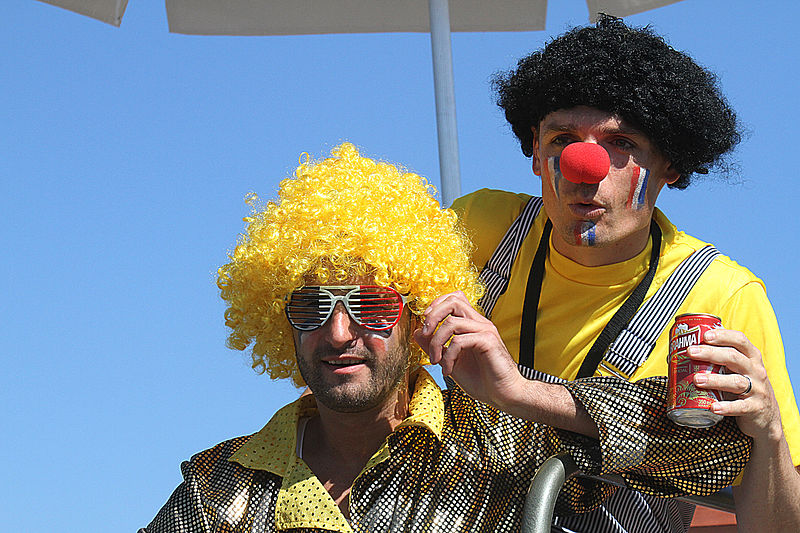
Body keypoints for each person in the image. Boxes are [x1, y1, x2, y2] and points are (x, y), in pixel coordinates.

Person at [140, 143, 749, 533]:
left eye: (372, 305)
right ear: (281, 322)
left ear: (416, 314)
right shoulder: (219, 485)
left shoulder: (499, 445)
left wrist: (517, 390)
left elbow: (714, 453)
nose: (337, 331)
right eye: (311, 306)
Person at [452, 15, 800, 533]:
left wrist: (768, 433)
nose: (583, 165)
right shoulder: (481, 230)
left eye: (622, 145)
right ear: (534, 150)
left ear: (671, 166)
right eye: (562, 138)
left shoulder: (722, 292)